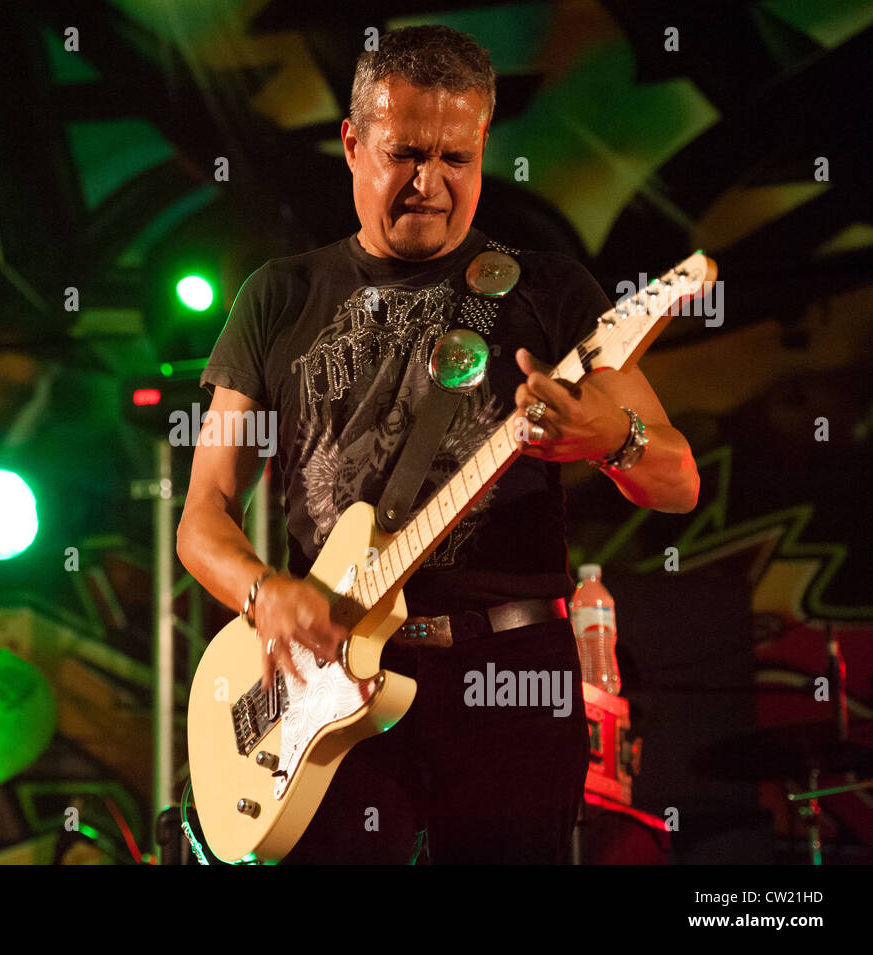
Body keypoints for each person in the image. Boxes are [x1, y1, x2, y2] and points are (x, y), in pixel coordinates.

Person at [176, 25, 698, 864]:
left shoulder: (551, 291)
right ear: (353, 143)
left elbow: (676, 480)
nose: (431, 183)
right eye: (406, 153)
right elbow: (202, 517)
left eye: (457, 158)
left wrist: (610, 435)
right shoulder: (277, 296)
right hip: (324, 677)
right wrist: (264, 594)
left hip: (510, 675)